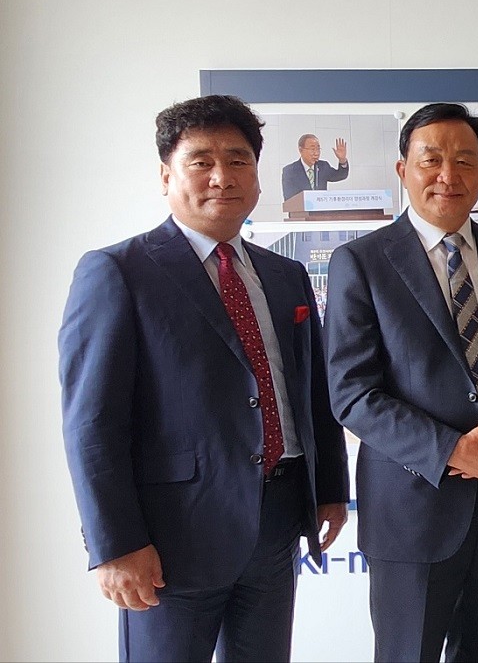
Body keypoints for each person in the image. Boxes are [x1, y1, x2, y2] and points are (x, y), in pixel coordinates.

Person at [58, 94, 350, 662]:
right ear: (166, 175)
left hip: (275, 527)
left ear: (257, 174)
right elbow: (91, 422)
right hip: (169, 541)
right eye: (201, 161)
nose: (222, 176)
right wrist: (116, 544)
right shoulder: (118, 272)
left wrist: (331, 489)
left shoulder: (284, 274)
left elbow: (313, 392)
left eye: (239, 160)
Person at [324, 103, 478, 663]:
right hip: (412, 510)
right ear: (402, 169)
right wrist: (454, 450)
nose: (448, 175)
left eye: (464, 160)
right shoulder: (361, 262)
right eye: (431, 160)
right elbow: (352, 393)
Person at [281, 132, 349, 200]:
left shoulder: (323, 166)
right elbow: (289, 198)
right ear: (301, 150)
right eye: (312, 149)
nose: (316, 153)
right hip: (301, 206)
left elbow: (341, 175)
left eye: (318, 149)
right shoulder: (290, 171)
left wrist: (342, 160)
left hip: (321, 206)